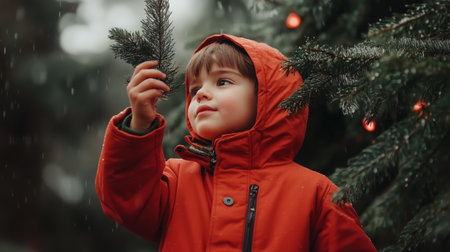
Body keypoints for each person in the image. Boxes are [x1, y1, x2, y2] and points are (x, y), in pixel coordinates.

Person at [96, 34, 377, 252]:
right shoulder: (176, 180)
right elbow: (125, 200)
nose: (202, 94)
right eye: (195, 89)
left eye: (222, 82)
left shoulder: (317, 194)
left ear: (266, 98)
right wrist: (138, 126)